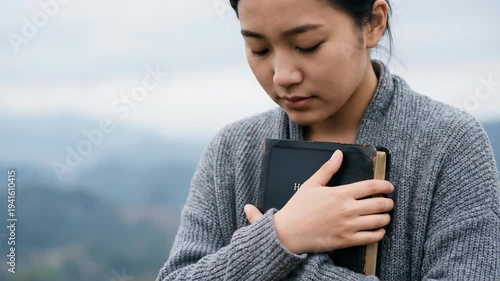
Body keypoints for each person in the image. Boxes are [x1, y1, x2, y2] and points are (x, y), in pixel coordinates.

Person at [156, 0, 500, 280]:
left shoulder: (449, 144)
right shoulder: (232, 150)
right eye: (258, 49)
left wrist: (285, 258)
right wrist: (283, 236)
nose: (282, 75)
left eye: (308, 45)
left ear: (373, 24)